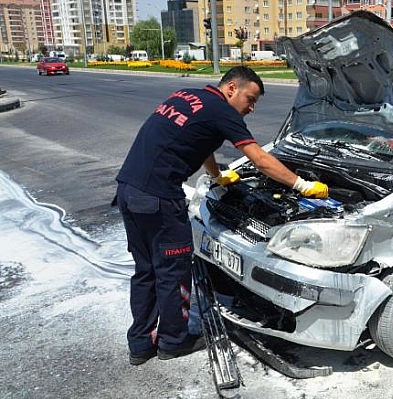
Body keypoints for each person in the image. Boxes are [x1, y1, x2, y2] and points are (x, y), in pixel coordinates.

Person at [115, 66, 328, 365]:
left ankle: (140, 345)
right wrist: (302, 184)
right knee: (173, 272)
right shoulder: (222, 111)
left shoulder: (190, 96)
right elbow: (260, 160)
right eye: (250, 99)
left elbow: (197, 141)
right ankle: (173, 342)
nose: (251, 108)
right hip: (159, 199)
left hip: (129, 190)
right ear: (231, 88)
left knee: (146, 271)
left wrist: (216, 175)